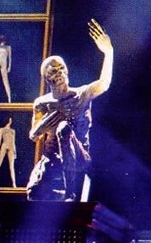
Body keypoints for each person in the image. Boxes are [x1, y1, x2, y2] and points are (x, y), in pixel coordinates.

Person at [26, 19, 113, 202]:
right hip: (51, 159)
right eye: (54, 71)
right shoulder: (42, 103)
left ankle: (71, 193)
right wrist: (41, 126)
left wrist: (108, 52)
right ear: (47, 78)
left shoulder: (81, 94)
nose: (60, 74)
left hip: (79, 157)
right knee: (34, 192)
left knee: (64, 128)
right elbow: (34, 135)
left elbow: (104, 84)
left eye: (62, 69)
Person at [0, 117, 17, 188]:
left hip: (10, 147)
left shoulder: (13, 131)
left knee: (11, 166)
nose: (11, 120)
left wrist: (15, 152)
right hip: (4, 145)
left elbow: (13, 142)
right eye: (10, 119)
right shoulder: (1, 129)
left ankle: (14, 183)